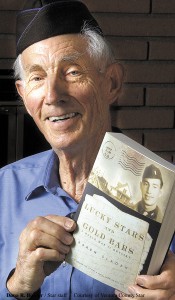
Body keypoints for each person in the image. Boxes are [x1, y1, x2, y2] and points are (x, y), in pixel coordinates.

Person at [0, 1, 175, 299]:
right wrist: (16, 285)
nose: (53, 96)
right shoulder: (4, 188)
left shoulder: (168, 195)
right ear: (22, 94)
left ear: (111, 82)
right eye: (37, 78)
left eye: (71, 72)